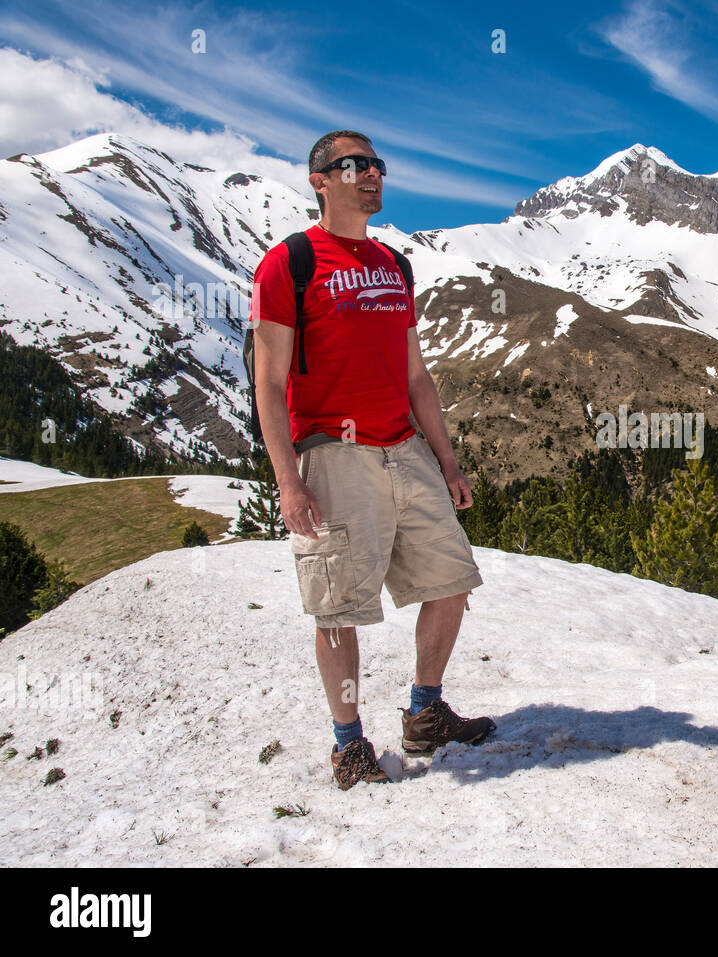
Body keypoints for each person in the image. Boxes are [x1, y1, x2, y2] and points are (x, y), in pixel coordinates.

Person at [252, 130, 495, 791]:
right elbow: (268, 382)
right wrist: (286, 481)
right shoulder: (291, 264)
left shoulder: (395, 265)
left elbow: (417, 376)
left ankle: (425, 712)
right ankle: (349, 744)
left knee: (451, 581)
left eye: (377, 165)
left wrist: (445, 459)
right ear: (319, 180)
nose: (371, 175)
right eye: (353, 165)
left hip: (405, 448)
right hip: (334, 452)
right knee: (338, 606)